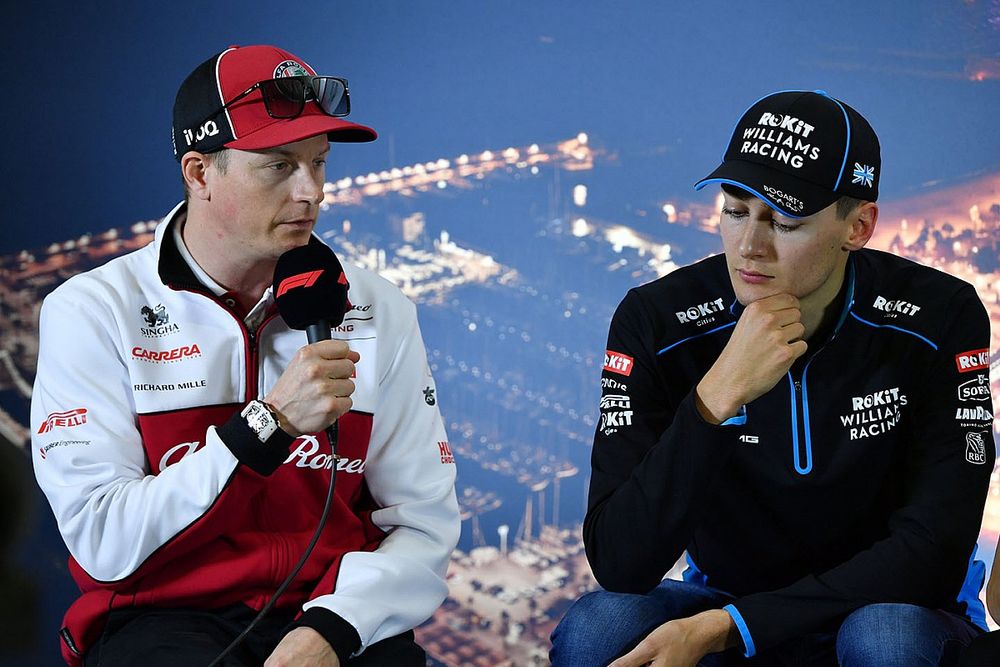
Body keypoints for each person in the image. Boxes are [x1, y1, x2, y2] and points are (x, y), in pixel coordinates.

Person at [30, 44, 460, 666]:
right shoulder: (92, 311)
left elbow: (424, 522)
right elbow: (104, 541)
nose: (311, 192)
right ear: (200, 172)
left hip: (336, 614)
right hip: (161, 619)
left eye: (319, 162)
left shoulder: (379, 309)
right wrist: (268, 425)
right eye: (279, 166)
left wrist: (335, 628)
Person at [550, 90, 995, 666]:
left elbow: (934, 551)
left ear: (858, 226)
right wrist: (715, 398)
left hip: (895, 605)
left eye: (784, 222)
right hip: (723, 595)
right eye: (735, 212)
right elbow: (619, 561)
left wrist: (729, 628)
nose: (750, 247)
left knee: (885, 640)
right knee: (596, 629)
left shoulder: (941, 316)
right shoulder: (655, 320)